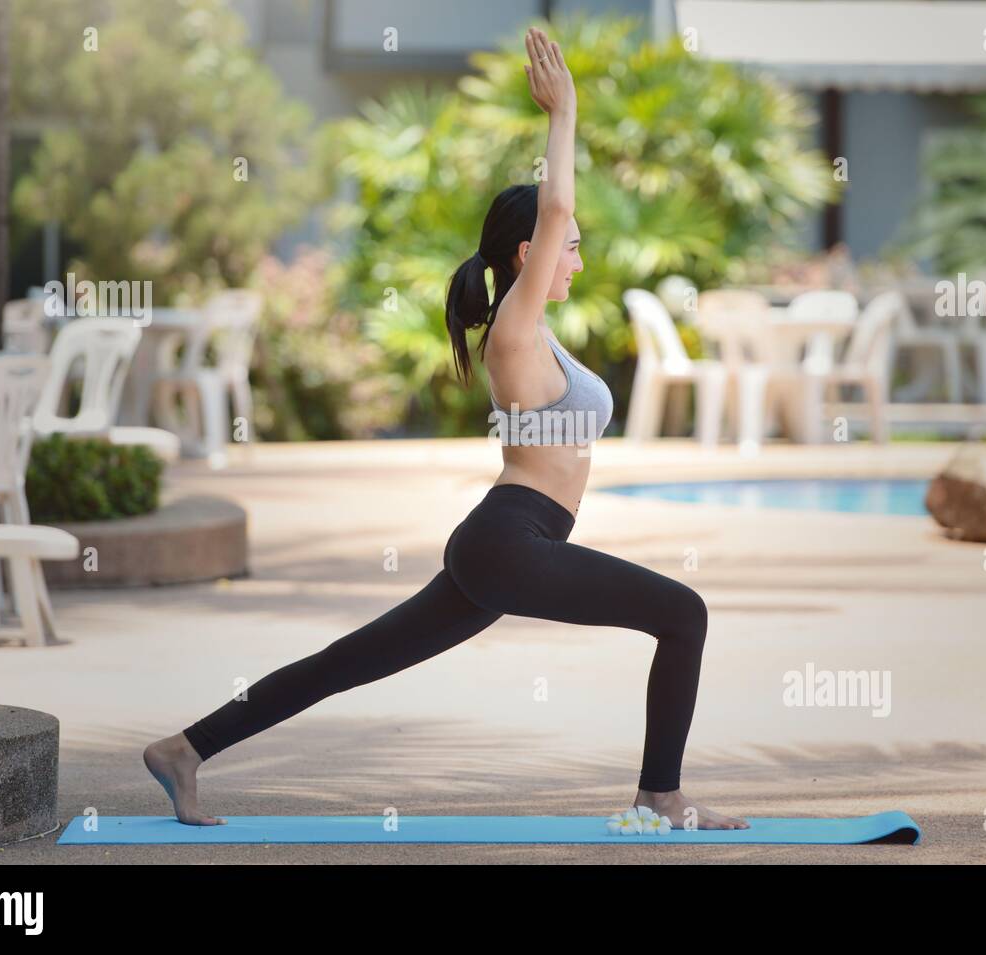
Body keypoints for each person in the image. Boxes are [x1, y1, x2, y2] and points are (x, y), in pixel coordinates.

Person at [144, 26, 748, 831]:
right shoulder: (514, 328)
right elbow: (558, 200)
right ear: (531, 253)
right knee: (684, 613)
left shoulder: (540, 332)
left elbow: (559, 222)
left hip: (508, 544)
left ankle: (186, 748)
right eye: (569, 249)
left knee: (348, 662)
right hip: (512, 540)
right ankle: (660, 795)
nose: (578, 260)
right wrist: (563, 114)